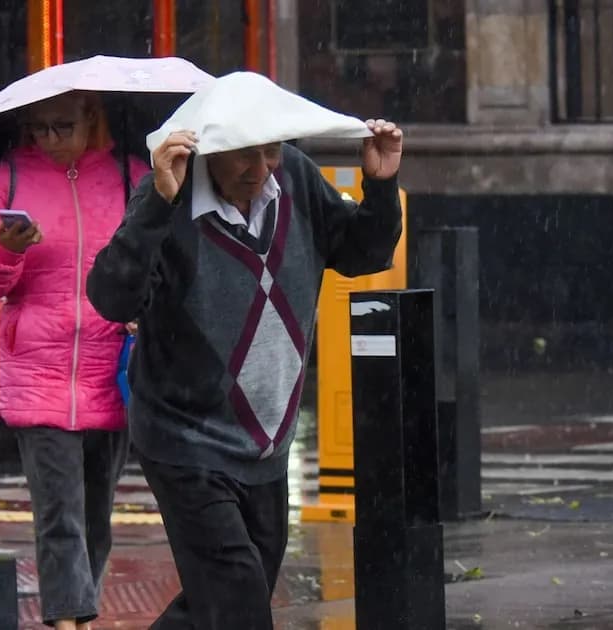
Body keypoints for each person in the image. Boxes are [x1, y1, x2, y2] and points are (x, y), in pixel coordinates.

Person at [85, 77, 404, 629]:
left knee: (222, 600)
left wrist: (379, 187)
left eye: (271, 149)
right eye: (244, 154)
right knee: (237, 600)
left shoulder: (297, 179)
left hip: (265, 442)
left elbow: (362, 253)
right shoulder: (170, 195)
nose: (260, 168)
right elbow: (113, 297)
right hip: (184, 439)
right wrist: (156, 204)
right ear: (210, 148)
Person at [0, 90, 147, 630]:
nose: (49, 139)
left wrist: (143, 309)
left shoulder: (132, 177)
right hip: (37, 373)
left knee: (96, 519)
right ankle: (68, 622)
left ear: (93, 117)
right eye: (38, 128)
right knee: (59, 515)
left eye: (62, 126)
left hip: (111, 368)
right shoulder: (8, 179)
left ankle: (81, 616)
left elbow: (157, 263)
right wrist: (7, 250)